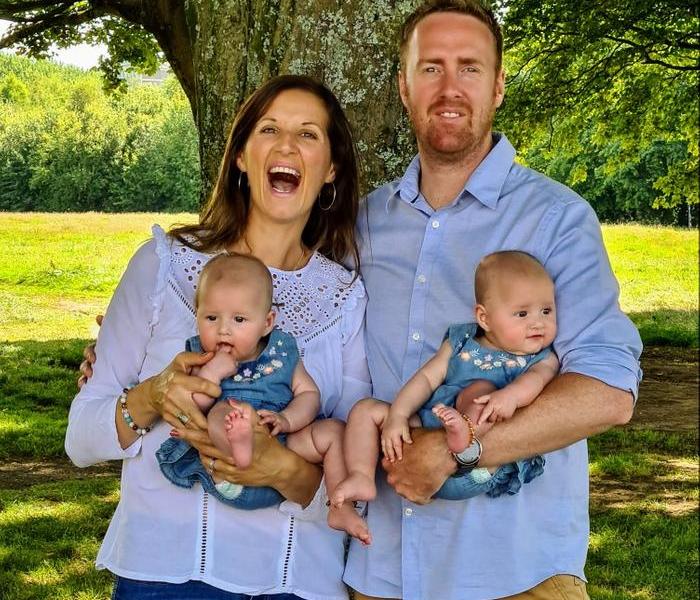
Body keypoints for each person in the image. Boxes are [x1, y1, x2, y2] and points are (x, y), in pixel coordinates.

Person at [343, 2, 642, 599]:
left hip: (517, 573)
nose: (450, 88)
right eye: (430, 67)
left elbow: (609, 392)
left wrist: (458, 453)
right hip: (379, 573)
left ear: (499, 85)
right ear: (404, 86)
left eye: (470, 68)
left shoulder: (555, 218)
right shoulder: (361, 222)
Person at [66, 74, 371, 600]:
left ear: (332, 170)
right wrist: (152, 396)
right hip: (164, 576)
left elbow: (355, 477)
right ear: (240, 157)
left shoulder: (345, 298)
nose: (286, 146)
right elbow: (80, 440)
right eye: (269, 129)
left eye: (309, 135)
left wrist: (280, 467)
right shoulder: (163, 268)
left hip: (297, 582)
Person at [156, 252, 370, 543]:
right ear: (197, 316)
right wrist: (211, 375)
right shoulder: (199, 356)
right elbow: (190, 409)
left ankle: (339, 506)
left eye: (239, 319)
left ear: (267, 322)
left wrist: (287, 419)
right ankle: (241, 445)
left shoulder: (282, 352)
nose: (224, 329)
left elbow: (308, 394)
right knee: (223, 413)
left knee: (334, 432)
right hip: (228, 466)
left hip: (284, 443)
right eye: (211, 317)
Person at [332, 251, 559, 513]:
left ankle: (464, 438)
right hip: (430, 425)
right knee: (365, 410)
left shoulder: (541, 358)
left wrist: (510, 396)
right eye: (522, 314)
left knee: (480, 392)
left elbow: (535, 381)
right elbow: (427, 379)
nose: (538, 323)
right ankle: (361, 476)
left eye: (546, 310)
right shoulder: (461, 342)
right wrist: (398, 415)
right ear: (484, 318)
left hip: (478, 465)